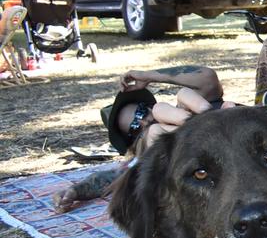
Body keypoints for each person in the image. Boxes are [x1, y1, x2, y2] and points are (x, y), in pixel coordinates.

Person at [54, 66, 226, 212]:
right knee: (156, 133)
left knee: (176, 100)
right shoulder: (150, 154)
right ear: (135, 143)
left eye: (141, 112)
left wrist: (147, 76)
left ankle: (209, 121)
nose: (143, 120)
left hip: (232, 126)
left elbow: (207, 78)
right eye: (135, 127)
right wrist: (75, 191)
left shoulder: (185, 104)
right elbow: (112, 178)